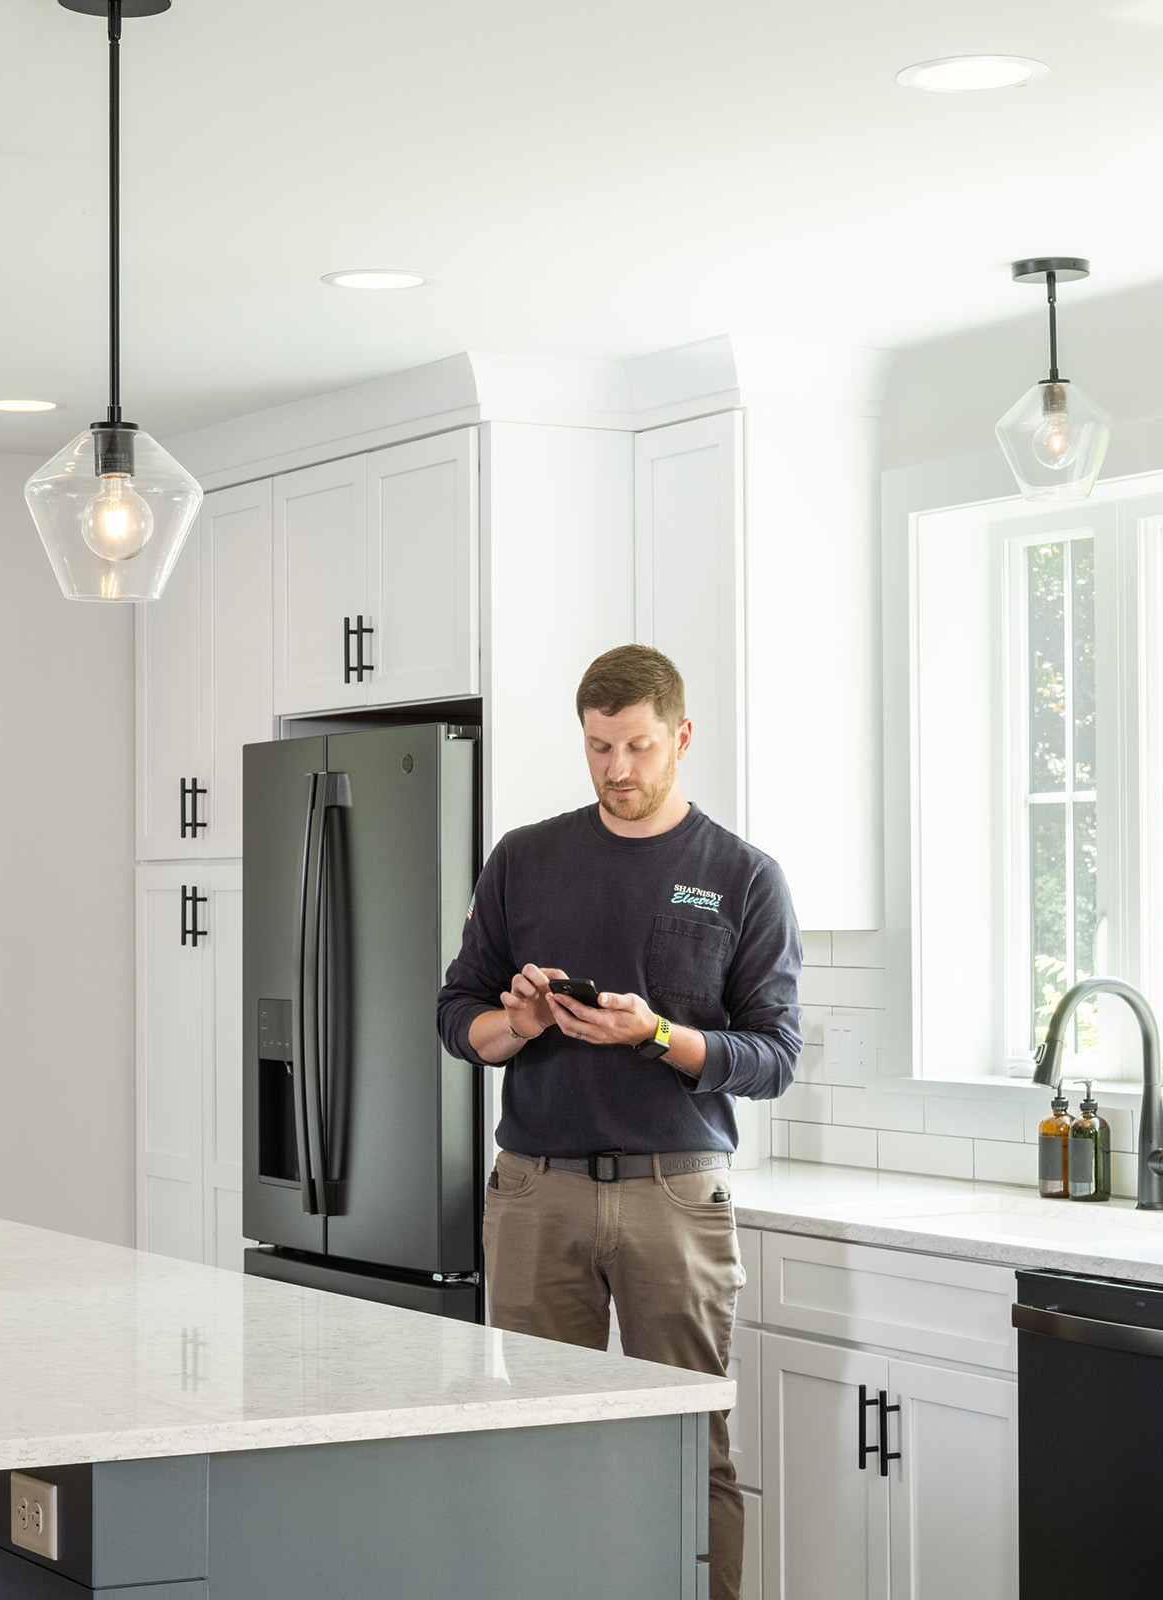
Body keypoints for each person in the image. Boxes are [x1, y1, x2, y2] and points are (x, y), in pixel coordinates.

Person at [435, 644, 800, 1600]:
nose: (617, 770)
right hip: (534, 1191)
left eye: (637, 746)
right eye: (599, 747)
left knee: (689, 1445)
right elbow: (455, 1016)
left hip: (675, 1191)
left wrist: (660, 1033)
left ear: (680, 736)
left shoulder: (742, 877)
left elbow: (773, 1058)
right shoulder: (524, 857)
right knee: (530, 1440)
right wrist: (512, 1023)